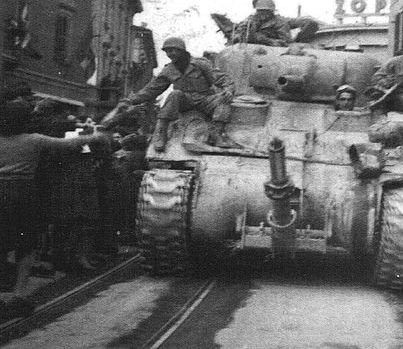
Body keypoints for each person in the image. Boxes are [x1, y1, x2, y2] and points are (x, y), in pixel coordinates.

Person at [0, 100, 109, 319]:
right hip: (24, 193)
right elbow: (68, 145)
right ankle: (19, 295)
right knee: (26, 245)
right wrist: (96, 136)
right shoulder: (35, 140)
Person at [117, 37, 237, 151]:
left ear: (182, 50)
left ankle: (216, 134)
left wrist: (228, 89)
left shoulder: (200, 64)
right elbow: (152, 89)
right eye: (168, 51)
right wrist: (131, 100)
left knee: (223, 99)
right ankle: (161, 133)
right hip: (185, 101)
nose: (171, 54)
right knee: (175, 93)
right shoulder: (168, 70)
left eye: (174, 50)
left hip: (205, 99)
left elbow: (220, 77)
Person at [230, 0, 319, 46]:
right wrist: (242, 36)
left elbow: (286, 43)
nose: (262, 14)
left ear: (271, 12)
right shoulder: (250, 20)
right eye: (260, 11)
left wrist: (264, 39)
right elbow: (234, 37)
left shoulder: (280, 22)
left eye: (266, 11)